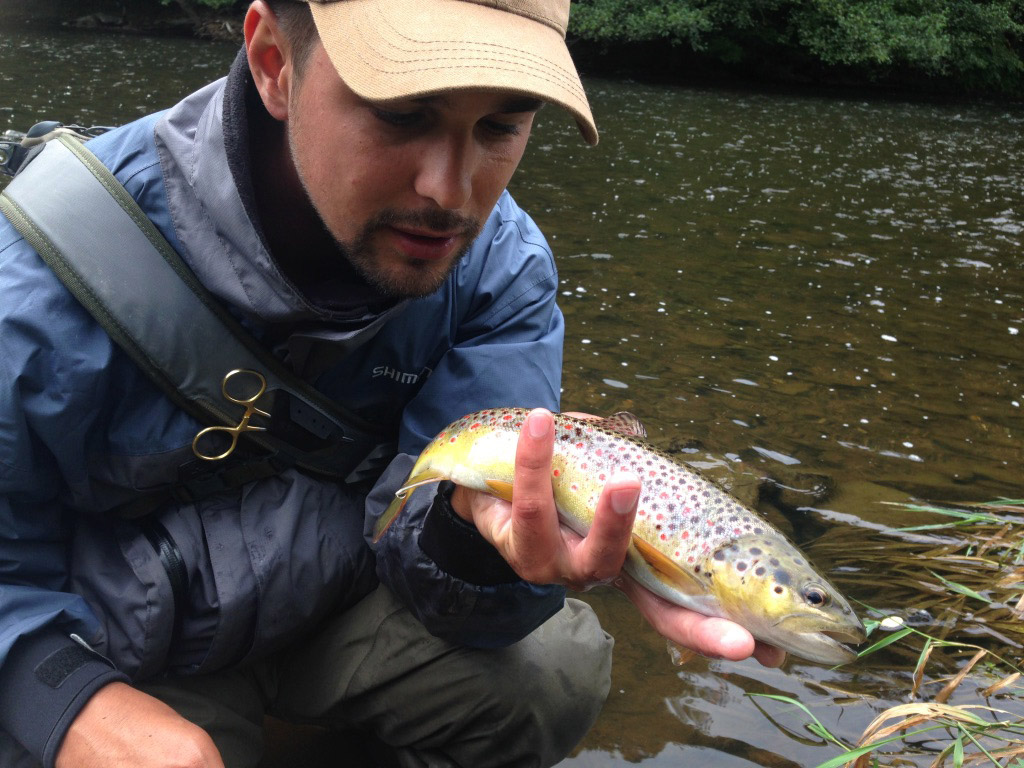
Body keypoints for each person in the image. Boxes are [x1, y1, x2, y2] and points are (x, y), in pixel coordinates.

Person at [0, 1, 783, 766]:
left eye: (501, 125)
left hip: (326, 610)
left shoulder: (500, 272)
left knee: (553, 668)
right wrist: (64, 698)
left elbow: (435, 555)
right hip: (113, 642)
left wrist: (472, 544)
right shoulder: (38, 277)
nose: (450, 191)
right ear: (275, 63)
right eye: (404, 112)